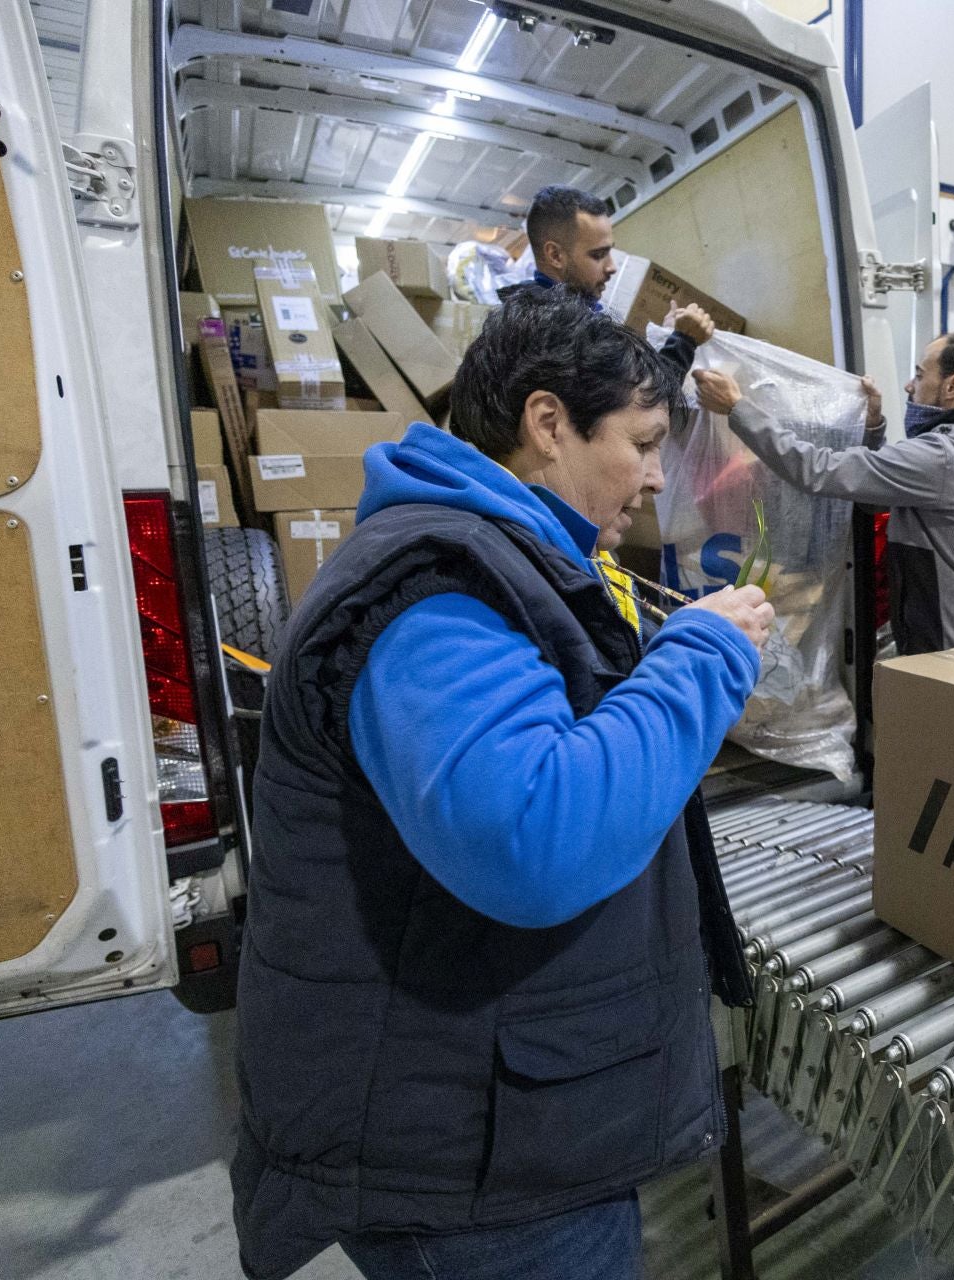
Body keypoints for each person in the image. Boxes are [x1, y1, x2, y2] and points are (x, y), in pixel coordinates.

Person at [230, 292, 775, 1280]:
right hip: (471, 1179)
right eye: (643, 442)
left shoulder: (502, 558)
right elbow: (532, 832)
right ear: (548, 423)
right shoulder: (436, 589)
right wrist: (704, 656)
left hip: (502, 1117)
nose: (656, 478)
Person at [690, 332, 954, 653]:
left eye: (919, 375)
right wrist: (872, 429)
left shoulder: (945, 455)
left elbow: (818, 469)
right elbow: (871, 497)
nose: (909, 386)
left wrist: (738, 407)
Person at [505, 183, 716, 377]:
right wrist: (683, 341)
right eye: (597, 255)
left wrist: (669, 335)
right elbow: (646, 404)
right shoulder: (555, 334)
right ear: (555, 256)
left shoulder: (559, 311)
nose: (611, 267)